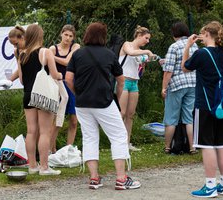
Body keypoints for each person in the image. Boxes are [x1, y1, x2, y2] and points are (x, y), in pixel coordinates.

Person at [65, 22, 141, 190]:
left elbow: (68, 79)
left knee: (90, 137)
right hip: (104, 101)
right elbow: (121, 80)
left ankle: (94, 178)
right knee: (119, 135)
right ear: (103, 36)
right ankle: (121, 178)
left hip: (82, 103)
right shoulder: (109, 54)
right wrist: (117, 97)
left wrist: (78, 93)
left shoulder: (77, 54)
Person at [182, 21, 223, 198]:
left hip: (205, 105)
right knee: (222, 144)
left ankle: (210, 185)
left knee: (207, 146)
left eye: (202, 35)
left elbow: (185, 67)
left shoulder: (201, 53)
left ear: (206, 34)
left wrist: (188, 46)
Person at [18, 24, 63, 175]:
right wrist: (60, 76)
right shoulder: (45, 52)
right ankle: (44, 167)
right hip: (43, 95)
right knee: (45, 131)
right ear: (39, 36)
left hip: (28, 94)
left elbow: (22, 80)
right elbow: (55, 74)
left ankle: (32, 166)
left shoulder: (22, 54)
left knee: (31, 131)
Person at [161, 21, 198, 154]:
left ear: (174, 33)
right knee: (188, 117)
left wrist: (164, 87)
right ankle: (192, 147)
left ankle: (167, 147)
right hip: (193, 84)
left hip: (176, 85)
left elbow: (168, 70)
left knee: (171, 117)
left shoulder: (174, 47)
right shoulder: (194, 46)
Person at [119, 25, 155, 151]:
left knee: (130, 114)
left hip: (134, 83)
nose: (147, 41)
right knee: (121, 113)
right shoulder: (127, 45)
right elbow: (131, 53)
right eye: (146, 38)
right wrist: (147, 52)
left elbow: (140, 72)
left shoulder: (141, 53)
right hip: (123, 81)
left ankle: (127, 142)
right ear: (139, 36)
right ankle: (118, 141)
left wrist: (144, 63)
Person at [49, 25, 80, 153]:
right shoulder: (53, 48)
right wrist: (49, 55)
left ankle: (68, 149)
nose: (67, 38)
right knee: (56, 119)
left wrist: (50, 57)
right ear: (61, 34)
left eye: (70, 36)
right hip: (56, 85)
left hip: (71, 84)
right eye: (66, 35)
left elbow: (68, 62)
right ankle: (52, 149)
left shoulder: (75, 47)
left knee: (73, 120)